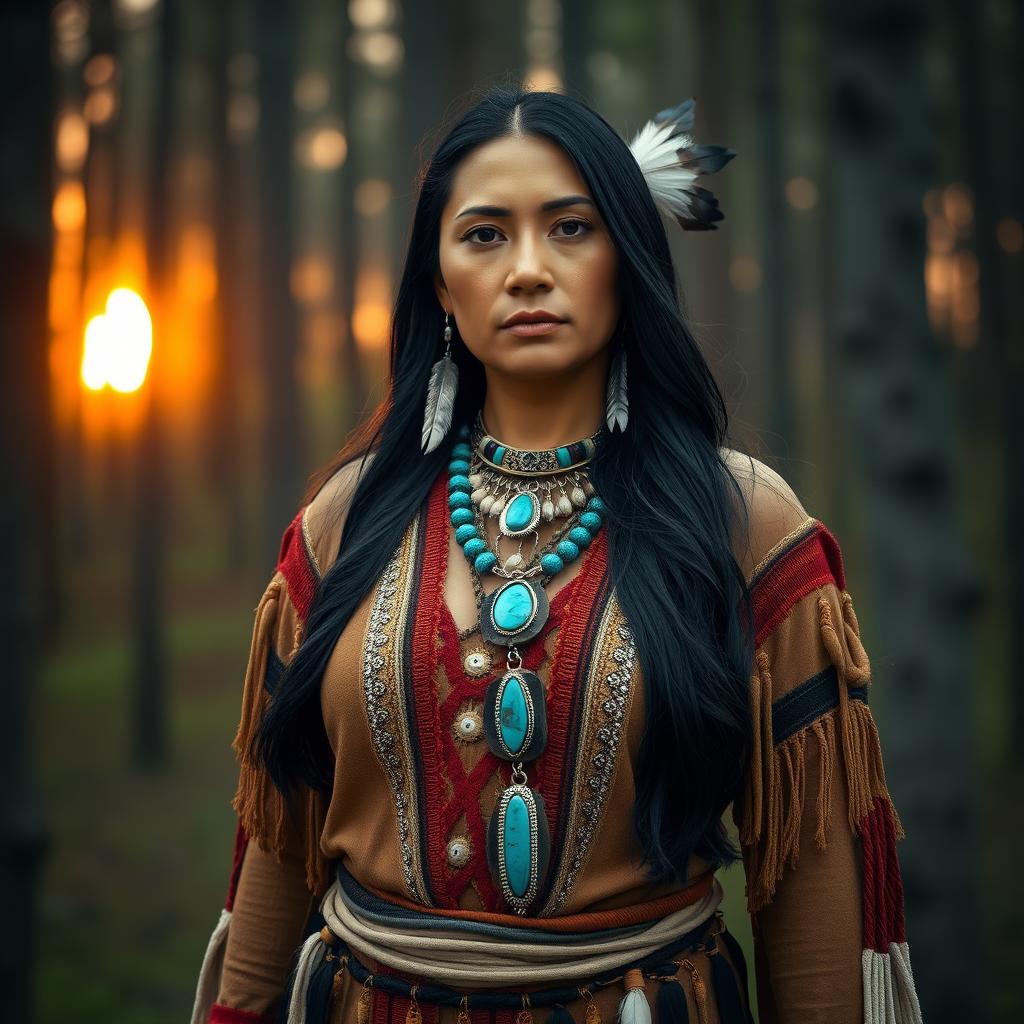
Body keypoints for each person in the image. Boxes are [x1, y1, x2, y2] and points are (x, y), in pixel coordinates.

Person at [191, 86, 923, 1024]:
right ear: (439, 282)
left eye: (571, 228)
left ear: (628, 258)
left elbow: (811, 877)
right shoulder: (344, 520)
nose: (528, 269)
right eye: (485, 234)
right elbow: (279, 837)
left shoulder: (744, 524)